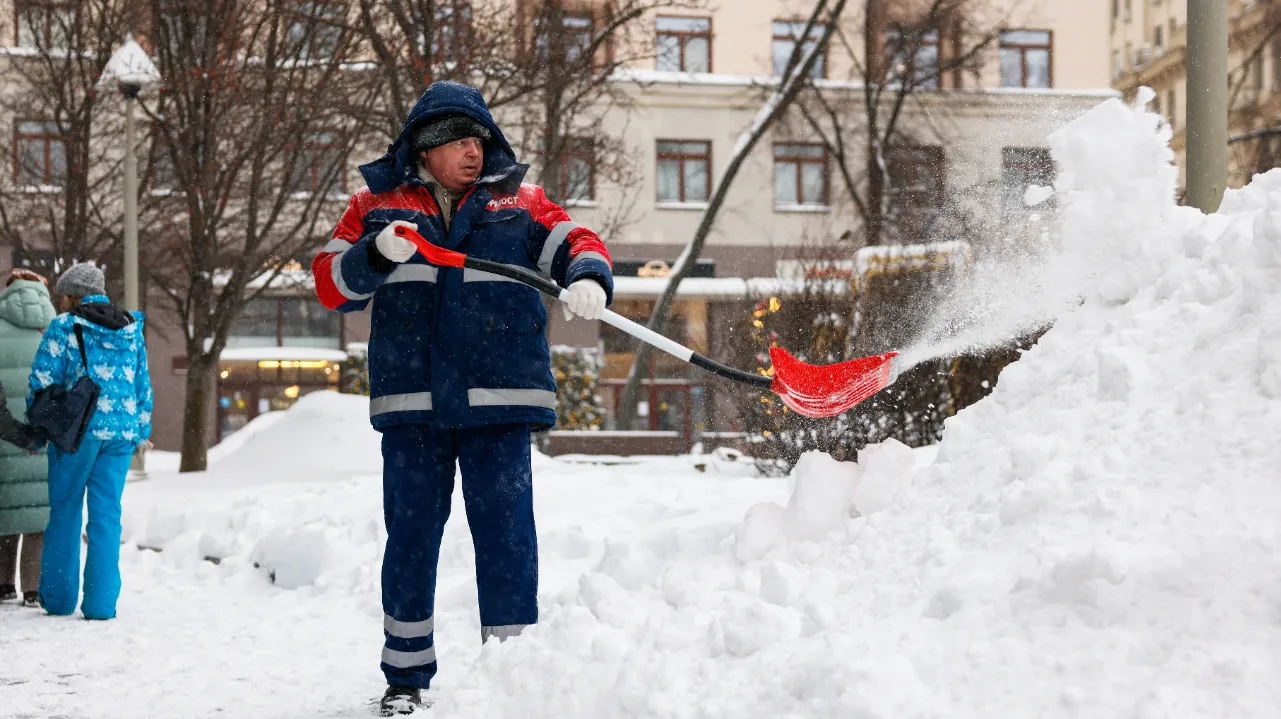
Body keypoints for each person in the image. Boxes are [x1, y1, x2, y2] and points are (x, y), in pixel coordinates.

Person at [313, 81, 613, 716]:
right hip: (413, 405)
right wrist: (376, 252)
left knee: (506, 536)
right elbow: (332, 285)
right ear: (426, 150)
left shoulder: (520, 202)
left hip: (499, 401)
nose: (473, 153)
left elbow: (575, 239)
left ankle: (510, 669)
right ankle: (405, 673)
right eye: (458, 143)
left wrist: (588, 278)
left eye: (479, 140)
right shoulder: (374, 206)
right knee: (412, 535)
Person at [27, 262, 152, 620]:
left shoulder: (65, 327)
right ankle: (100, 604)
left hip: (75, 434)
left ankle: (60, 597)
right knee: (106, 516)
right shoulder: (130, 329)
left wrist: (39, 426)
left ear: (71, 294)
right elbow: (142, 387)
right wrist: (139, 432)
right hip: (120, 434)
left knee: (65, 511)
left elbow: (41, 382)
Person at [0, 269, 56, 606]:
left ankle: (3, 583)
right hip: (42, 431)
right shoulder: (54, 329)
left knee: (6, 505)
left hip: (4, 430)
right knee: (37, 510)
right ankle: (33, 586)